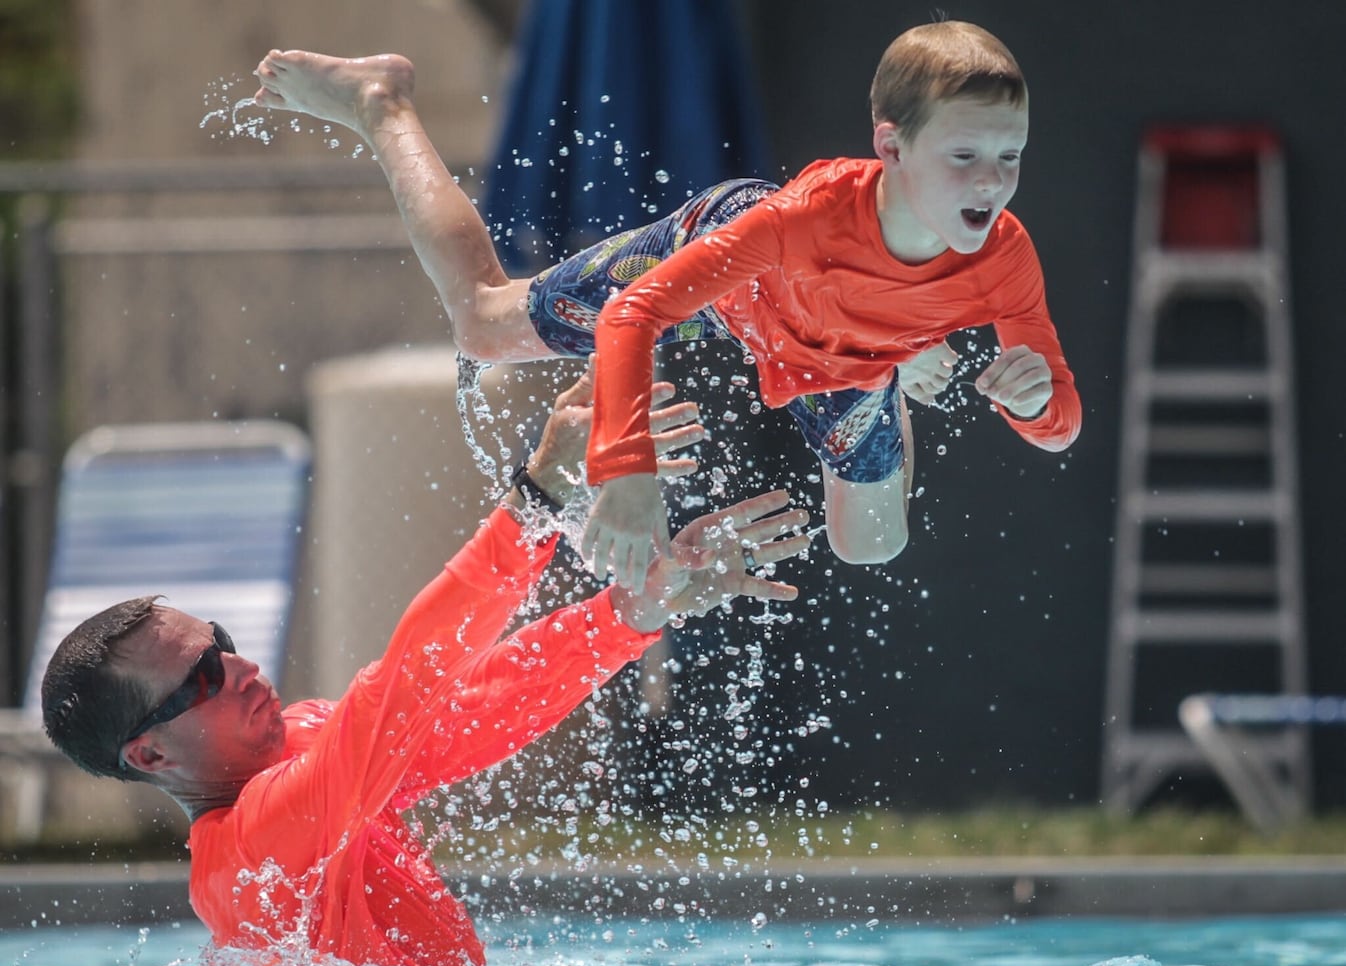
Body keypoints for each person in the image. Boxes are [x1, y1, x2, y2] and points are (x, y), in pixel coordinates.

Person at [250, 18, 1081, 592]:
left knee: (871, 546)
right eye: (965, 154)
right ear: (891, 146)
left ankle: (891, 367)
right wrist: (626, 466)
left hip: (839, 353)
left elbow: (1062, 422)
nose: (990, 180)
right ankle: (380, 104)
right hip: (740, 275)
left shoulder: (1004, 257)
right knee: (483, 324)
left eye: (1010, 155)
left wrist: (1040, 405)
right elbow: (634, 315)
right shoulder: (796, 221)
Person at [40, 369, 811, 966]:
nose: (240, 667)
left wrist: (630, 614)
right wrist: (536, 499)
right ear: (149, 754)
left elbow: (470, 709)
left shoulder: (309, 740)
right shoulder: (245, 854)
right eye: (202, 676)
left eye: (225, 642)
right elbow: (401, 683)